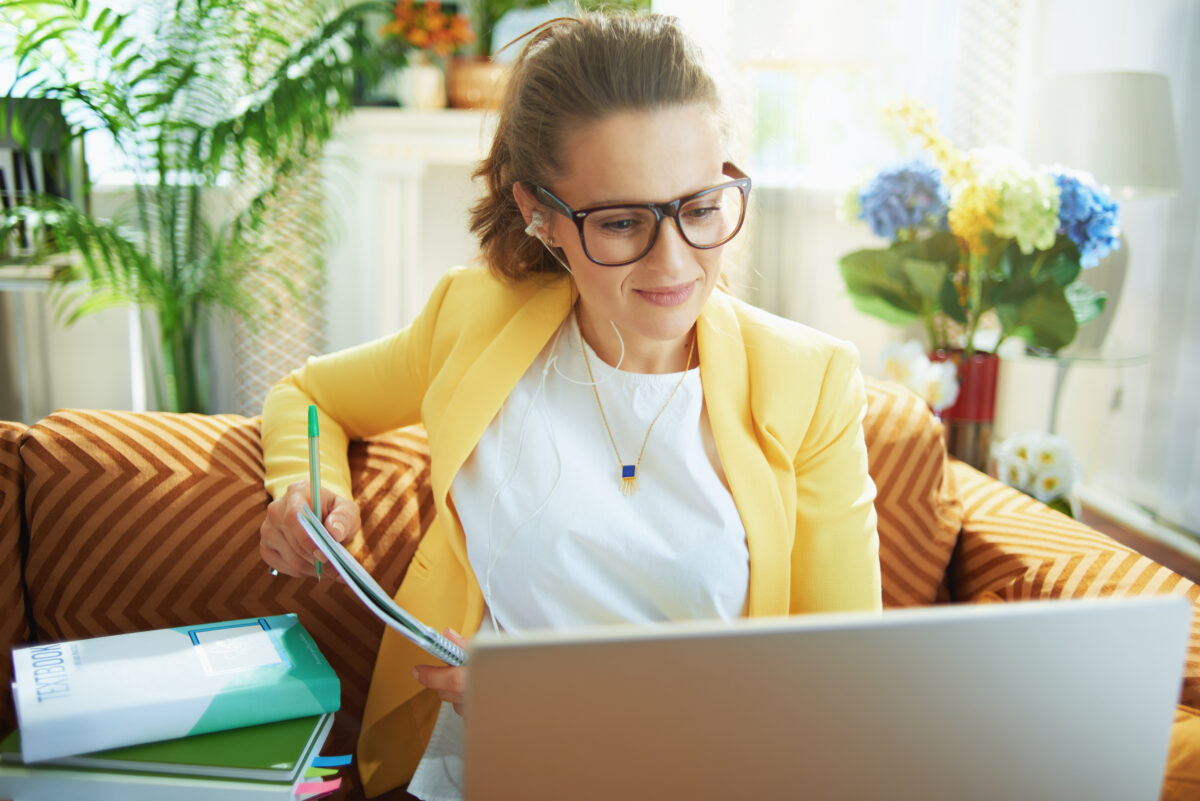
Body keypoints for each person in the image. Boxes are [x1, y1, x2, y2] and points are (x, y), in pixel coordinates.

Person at [259, 11, 881, 799]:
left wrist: (574, 709)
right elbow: (308, 395)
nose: (675, 261)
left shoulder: (810, 380)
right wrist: (310, 489)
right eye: (621, 221)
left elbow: (843, 689)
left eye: (699, 207)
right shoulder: (472, 320)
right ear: (540, 212)